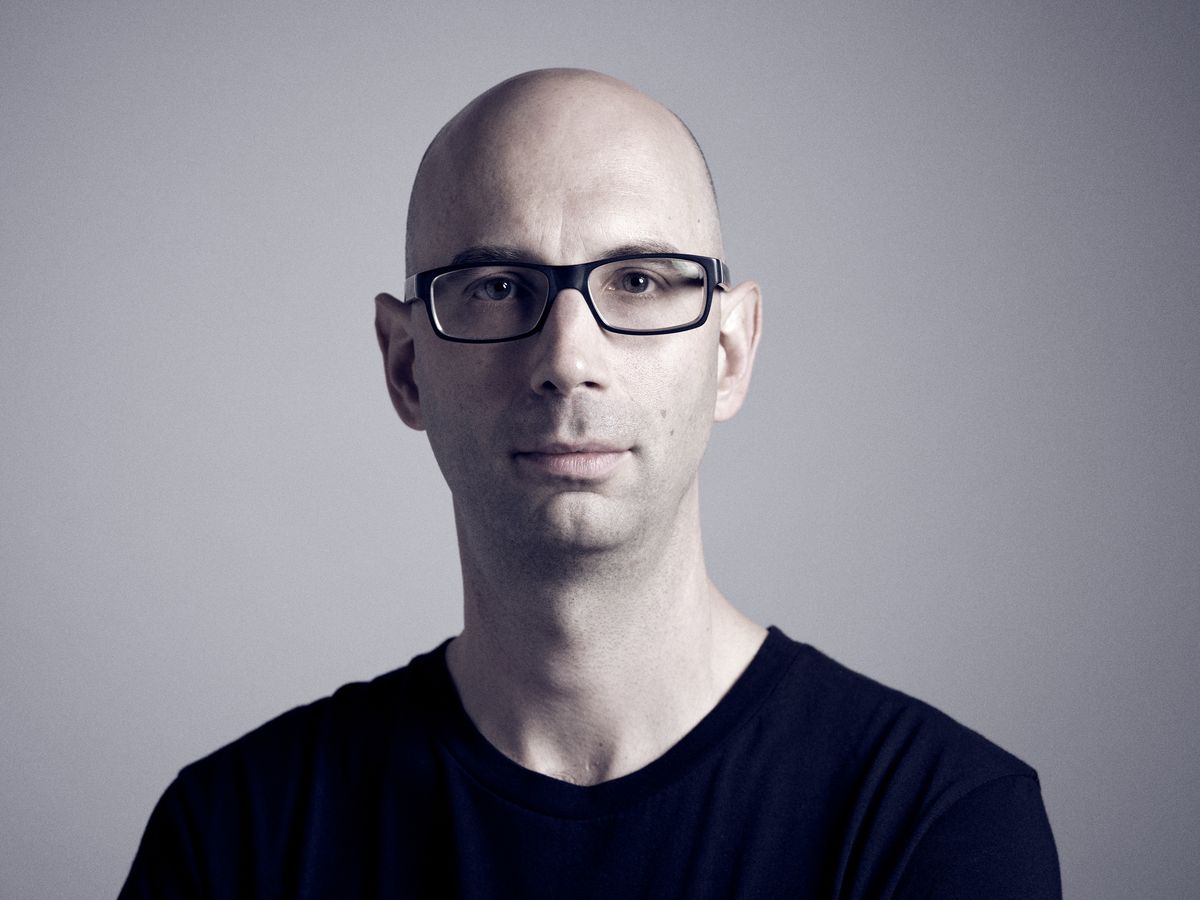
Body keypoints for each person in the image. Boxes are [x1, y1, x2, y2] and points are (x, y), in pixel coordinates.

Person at [119, 68, 1061, 898]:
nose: (568, 359)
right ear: (405, 366)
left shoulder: (935, 824)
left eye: (642, 282)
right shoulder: (233, 836)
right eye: (496, 287)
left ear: (729, 354)